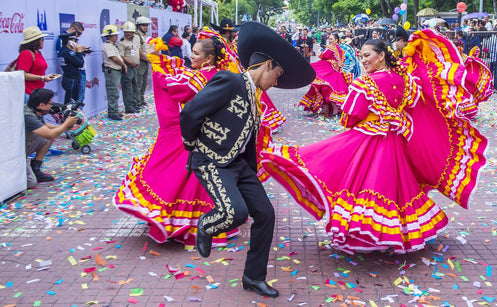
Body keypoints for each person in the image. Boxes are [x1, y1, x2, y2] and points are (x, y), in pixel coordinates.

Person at [261, 32, 490, 254]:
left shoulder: (366, 83)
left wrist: (362, 119)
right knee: (394, 190)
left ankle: (371, 236)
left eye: (367, 55)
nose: (363, 59)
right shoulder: (405, 80)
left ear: (381, 55)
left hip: (368, 142)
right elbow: (413, 107)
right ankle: (393, 236)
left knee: (352, 180)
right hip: (396, 144)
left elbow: (351, 116)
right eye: (361, 55)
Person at [180, 21, 315, 298]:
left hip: (239, 166)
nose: (277, 82)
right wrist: (193, 146)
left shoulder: (256, 97)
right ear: (266, 65)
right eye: (277, 75)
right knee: (235, 213)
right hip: (212, 161)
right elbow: (190, 113)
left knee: (266, 214)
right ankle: (206, 225)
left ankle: (254, 277)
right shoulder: (229, 80)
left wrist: (251, 168)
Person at [115, 36, 243, 245]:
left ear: (209, 59)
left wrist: (158, 63)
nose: (190, 56)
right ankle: (205, 223)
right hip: (211, 138)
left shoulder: (202, 79)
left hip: (192, 136)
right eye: (192, 51)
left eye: (196, 53)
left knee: (181, 179)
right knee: (201, 183)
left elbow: (176, 88)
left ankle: (184, 224)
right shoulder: (220, 76)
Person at [25, 88, 78, 187]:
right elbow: (50, 134)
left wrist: (67, 127)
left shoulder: (34, 110)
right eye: (50, 103)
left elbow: (45, 126)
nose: (52, 106)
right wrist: (66, 124)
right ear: (41, 105)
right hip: (17, 152)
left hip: (26, 143)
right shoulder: (28, 116)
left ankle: (35, 168)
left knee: (48, 136)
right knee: (31, 182)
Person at [299, 32, 350, 115]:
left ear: (336, 40)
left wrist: (322, 52)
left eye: (331, 39)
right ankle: (329, 108)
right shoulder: (341, 50)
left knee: (325, 88)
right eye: (329, 39)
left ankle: (330, 108)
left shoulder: (331, 48)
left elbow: (324, 56)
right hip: (337, 73)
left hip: (329, 71)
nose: (329, 41)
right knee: (330, 89)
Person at [16, 26, 56, 102]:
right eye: (42, 39)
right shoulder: (26, 53)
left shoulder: (37, 53)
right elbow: (22, 74)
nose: (43, 42)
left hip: (37, 93)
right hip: (28, 92)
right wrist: (42, 78)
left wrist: (44, 77)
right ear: (36, 41)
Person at [101, 24, 127, 121]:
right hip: (112, 71)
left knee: (115, 92)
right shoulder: (107, 46)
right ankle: (112, 112)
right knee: (113, 92)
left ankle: (114, 110)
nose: (117, 37)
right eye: (115, 35)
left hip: (116, 70)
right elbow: (114, 58)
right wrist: (124, 65)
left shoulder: (112, 45)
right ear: (109, 36)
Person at [117, 21, 141, 114]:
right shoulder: (122, 42)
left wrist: (137, 61)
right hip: (128, 67)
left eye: (130, 32)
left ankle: (135, 104)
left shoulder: (136, 39)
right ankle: (129, 107)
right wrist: (129, 62)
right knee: (128, 88)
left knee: (135, 86)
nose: (129, 34)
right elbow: (121, 55)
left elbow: (137, 50)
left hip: (135, 67)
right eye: (127, 32)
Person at [58, 33, 85, 103]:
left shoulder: (64, 51)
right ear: (69, 42)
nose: (76, 43)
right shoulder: (67, 52)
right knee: (71, 101)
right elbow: (80, 63)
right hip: (72, 78)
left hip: (70, 78)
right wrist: (79, 51)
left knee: (73, 100)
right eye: (74, 41)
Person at [135, 16, 154, 107]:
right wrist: (146, 59)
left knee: (143, 83)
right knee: (139, 82)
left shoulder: (146, 36)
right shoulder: (136, 36)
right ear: (138, 26)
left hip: (146, 62)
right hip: (141, 62)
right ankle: (137, 101)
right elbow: (138, 50)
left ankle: (141, 99)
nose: (146, 27)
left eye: (147, 25)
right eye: (143, 25)